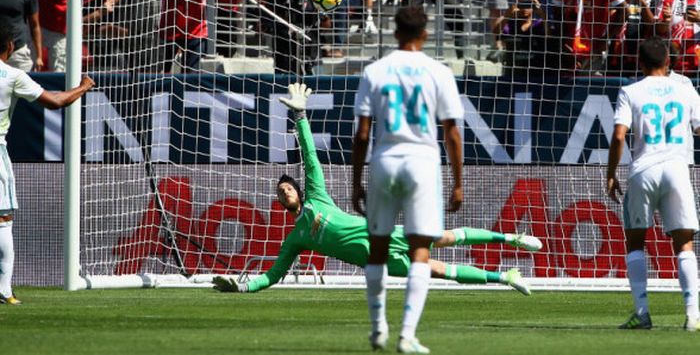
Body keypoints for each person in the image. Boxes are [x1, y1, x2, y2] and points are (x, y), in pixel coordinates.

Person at [212, 83, 541, 295]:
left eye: (288, 187)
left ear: (299, 191)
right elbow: (272, 275)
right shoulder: (297, 238)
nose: (284, 191)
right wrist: (243, 288)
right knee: (442, 272)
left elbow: (310, 157)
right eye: (279, 191)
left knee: (446, 237)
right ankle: (505, 278)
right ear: (280, 202)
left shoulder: (318, 197)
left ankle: (510, 238)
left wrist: (299, 116)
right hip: (380, 262)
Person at [351, 5, 463, 354]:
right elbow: (452, 132)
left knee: (379, 248)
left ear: (395, 32)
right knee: (419, 249)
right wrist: (459, 181)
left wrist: (356, 180)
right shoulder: (439, 71)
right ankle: (407, 335)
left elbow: (362, 134)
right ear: (425, 34)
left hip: (385, 158)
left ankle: (377, 328)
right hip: (422, 160)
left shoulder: (375, 71)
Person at [607, 36, 700, 331]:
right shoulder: (686, 89)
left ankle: (643, 312)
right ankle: (693, 315)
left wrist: (610, 173)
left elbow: (619, 135)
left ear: (640, 63)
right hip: (677, 168)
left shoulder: (630, 91)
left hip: (643, 170)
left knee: (636, 242)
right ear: (669, 62)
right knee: (684, 243)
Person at [0, 23, 94, 304]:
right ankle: (4, 289)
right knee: (3, 220)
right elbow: (55, 101)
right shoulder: (12, 75)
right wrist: (83, 87)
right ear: (10, 47)